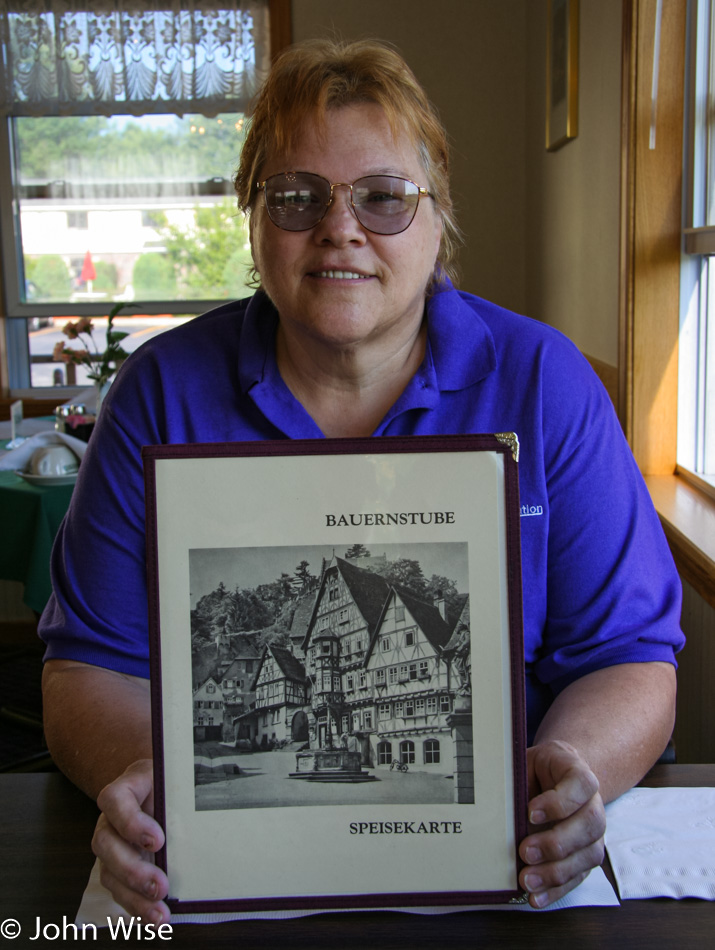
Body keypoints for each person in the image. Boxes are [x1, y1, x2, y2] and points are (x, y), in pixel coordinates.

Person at [40, 38, 683, 922]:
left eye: (383, 198)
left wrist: (574, 772)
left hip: (499, 871)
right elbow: (87, 665)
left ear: (438, 219)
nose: (339, 228)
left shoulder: (544, 380)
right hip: (222, 875)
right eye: (296, 196)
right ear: (254, 220)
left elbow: (626, 654)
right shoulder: (158, 390)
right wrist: (152, 777)